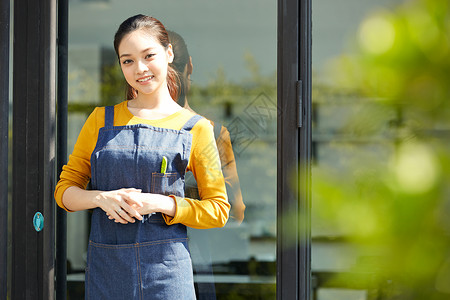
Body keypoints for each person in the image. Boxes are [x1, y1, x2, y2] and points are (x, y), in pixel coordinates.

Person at [54, 14, 230, 299]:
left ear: (169, 53)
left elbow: (219, 210)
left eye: (149, 56)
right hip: (106, 272)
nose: (140, 69)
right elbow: (64, 192)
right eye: (128, 60)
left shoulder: (196, 128)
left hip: (167, 274)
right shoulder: (101, 120)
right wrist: (100, 198)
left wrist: (160, 203)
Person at [168, 30, 245, 223]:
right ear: (190, 66)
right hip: (199, 246)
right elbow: (235, 211)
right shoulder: (213, 132)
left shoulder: (125, 131)